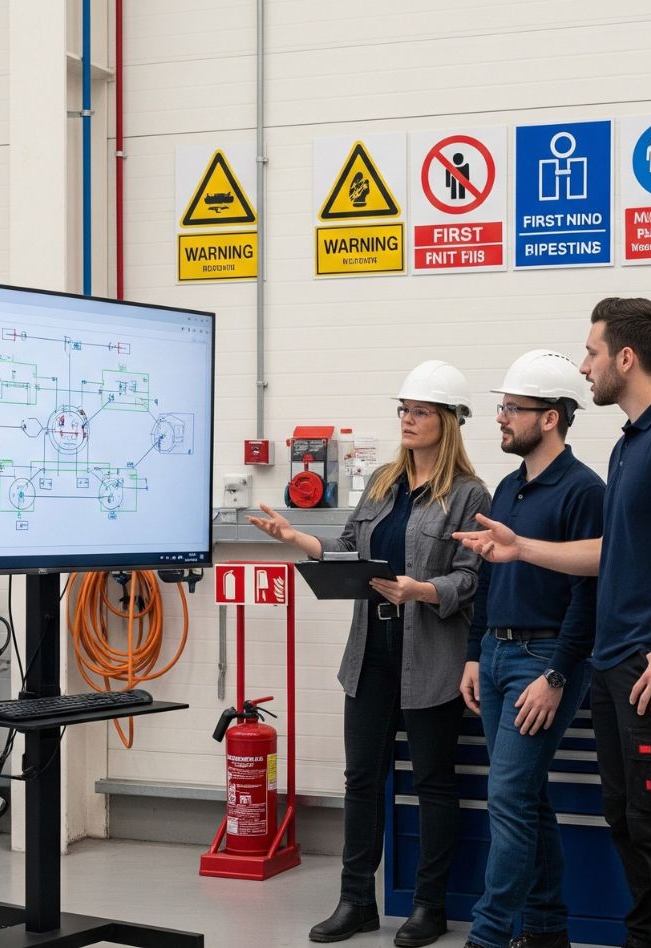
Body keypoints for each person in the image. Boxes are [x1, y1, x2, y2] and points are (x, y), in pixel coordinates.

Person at [456, 298, 651, 948]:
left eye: (591, 352)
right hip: (617, 667)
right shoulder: (630, 444)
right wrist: (522, 550)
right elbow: (613, 552)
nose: (583, 367)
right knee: (630, 824)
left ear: (626, 357)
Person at [250, 360, 491, 948]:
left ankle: (428, 907)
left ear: (449, 421)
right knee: (361, 779)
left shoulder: (468, 494)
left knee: (433, 783)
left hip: (431, 657)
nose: (408, 420)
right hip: (371, 655)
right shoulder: (384, 480)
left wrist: (422, 590)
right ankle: (355, 901)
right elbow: (349, 548)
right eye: (404, 410)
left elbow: (472, 578)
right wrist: (297, 539)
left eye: (420, 412)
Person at [458, 351, 604, 948]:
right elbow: (489, 575)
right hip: (497, 655)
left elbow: (590, 594)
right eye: (502, 406)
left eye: (513, 408)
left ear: (550, 418)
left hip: (543, 661)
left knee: (509, 797)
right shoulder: (508, 486)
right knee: (525, 797)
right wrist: (475, 652)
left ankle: (488, 936)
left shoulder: (585, 491)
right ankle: (546, 931)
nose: (501, 417)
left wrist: (559, 675)